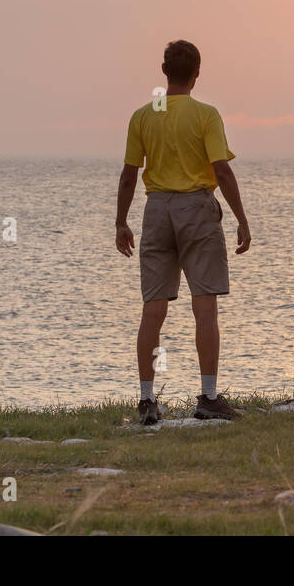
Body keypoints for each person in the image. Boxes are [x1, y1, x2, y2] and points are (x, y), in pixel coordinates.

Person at [115, 40, 251, 424]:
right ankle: (208, 398)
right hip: (196, 207)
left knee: (152, 310)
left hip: (156, 209)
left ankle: (146, 402)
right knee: (204, 307)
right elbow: (221, 170)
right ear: (197, 73)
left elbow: (129, 174)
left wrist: (121, 220)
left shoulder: (143, 115)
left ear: (163, 71)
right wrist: (241, 217)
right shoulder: (205, 115)